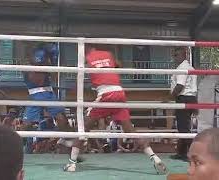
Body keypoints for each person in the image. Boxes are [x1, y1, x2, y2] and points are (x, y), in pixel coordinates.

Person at [63, 44, 167, 174]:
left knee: (83, 127)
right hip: (119, 92)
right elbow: (118, 64)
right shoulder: (108, 55)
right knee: (130, 130)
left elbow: (82, 78)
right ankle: (155, 158)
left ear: (86, 49)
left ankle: (72, 163)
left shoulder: (87, 58)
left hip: (106, 94)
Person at [170, 47, 198, 161]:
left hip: (184, 98)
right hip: (190, 98)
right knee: (182, 126)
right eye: (174, 55)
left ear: (183, 55)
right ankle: (181, 153)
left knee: (183, 127)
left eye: (177, 55)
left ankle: (191, 154)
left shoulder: (183, 68)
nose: (174, 58)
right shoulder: (189, 67)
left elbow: (180, 86)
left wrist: (169, 98)